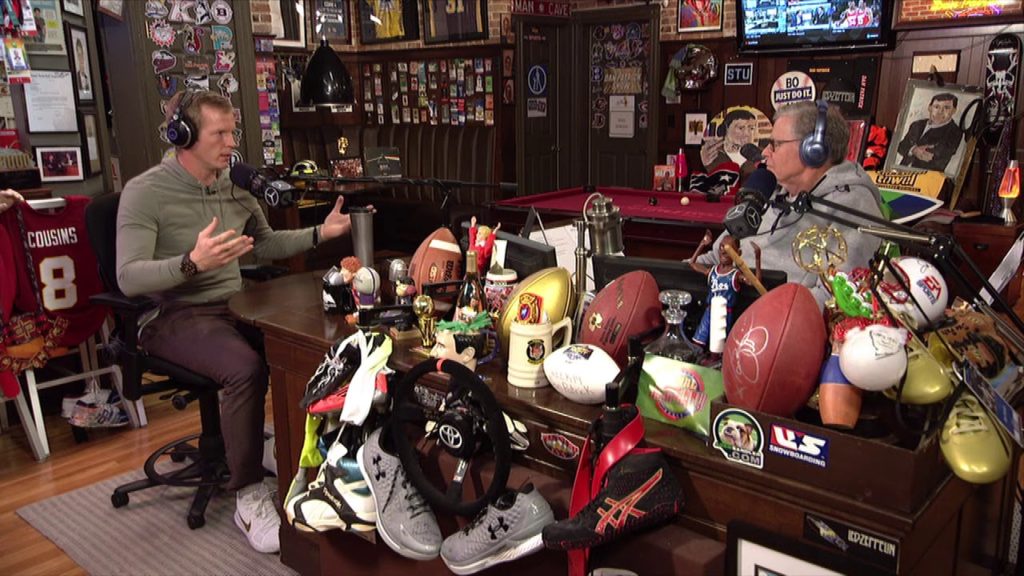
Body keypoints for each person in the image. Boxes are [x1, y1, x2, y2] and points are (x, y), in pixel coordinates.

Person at [115, 91, 358, 554]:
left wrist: (320, 233)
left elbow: (264, 244)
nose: (232, 143)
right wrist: (192, 263)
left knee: (311, 343)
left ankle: (291, 450)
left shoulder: (236, 184)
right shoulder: (146, 192)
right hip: (172, 312)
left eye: (233, 132)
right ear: (183, 136)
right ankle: (248, 491)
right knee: (244, 368)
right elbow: (128, 277)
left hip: (237, 304)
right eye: (220, 134)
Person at [694, 101, 884, 307]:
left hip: (776, 319)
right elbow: (716, 257)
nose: (765, 153)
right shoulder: (771, 190)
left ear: (813, 150)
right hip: (725, 307)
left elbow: (836, 298)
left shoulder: (853, 204)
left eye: (775, 144)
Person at [689, 232, 761, 348]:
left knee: (719, 347)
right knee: (698, 341)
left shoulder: (735, 275)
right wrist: (702, 244)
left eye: (729, 249)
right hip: (709, 311)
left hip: (725, 314)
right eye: (721, 247)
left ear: (738, 253)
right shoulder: (712, 271)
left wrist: (757, 259)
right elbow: (692, 263)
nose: (723, 251)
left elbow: (756, 282)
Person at [896, 93, 963, 173]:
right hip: (900, 174)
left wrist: (912, 148)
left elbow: (937, 154)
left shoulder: (954, 132)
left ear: (954, 110)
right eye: (936, 107)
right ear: (930, 107)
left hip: (927, 177)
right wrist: (914, 150)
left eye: (946, 108)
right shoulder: (917, 124)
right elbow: (901, 146)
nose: (940, 112)